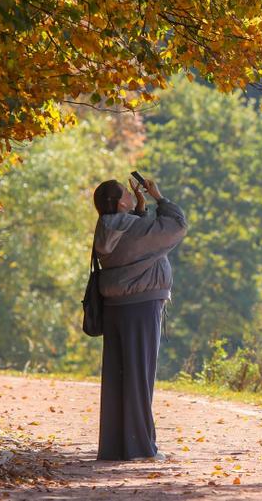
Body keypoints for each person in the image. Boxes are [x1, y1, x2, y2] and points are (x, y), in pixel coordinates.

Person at [92, 176, 187, 461]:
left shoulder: (107, 227)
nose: (131, 194)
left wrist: (141, 207)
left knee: (118, 377)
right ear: (121, 201)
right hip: (142, 306)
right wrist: (160, 197)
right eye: (127, 193)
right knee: (140, 377)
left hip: (115, 308)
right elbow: (176, 226)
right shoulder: (133, 228)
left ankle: (115, 446)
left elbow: (134, 235)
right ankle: (141, 447)